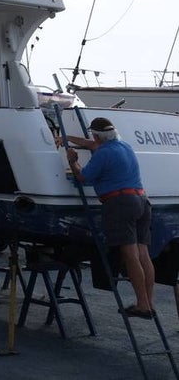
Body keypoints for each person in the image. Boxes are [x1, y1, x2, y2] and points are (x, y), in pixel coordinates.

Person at [60, 117, 155, 318]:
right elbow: (91, 144)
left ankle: (142, 305)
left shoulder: (103, 153)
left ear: (96, 136)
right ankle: (149, 302)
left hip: (120, 203)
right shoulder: (124, 146)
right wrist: (66, 138)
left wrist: (73, 161)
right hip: (142, 200)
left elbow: (83, 177)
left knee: (130, 255)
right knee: (143, 254)